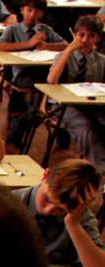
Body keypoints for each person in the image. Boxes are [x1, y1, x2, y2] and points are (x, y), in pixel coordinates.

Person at [0, 0, 66, 147]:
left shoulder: (45, 29)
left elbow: (66, 45)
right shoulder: (13, 30)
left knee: (57, 88)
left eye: (37, 11)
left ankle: (37, 115)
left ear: (42, 13)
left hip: (45, 73)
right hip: (23, 74)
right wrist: (28, 44)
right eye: (29, 10)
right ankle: (34, 116)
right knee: (39, 98)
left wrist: (48, 46)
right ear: (22, 10)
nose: (32, 15)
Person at [47, 15, 105, 173]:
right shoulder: (63, 56)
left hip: (91, 104)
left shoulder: (101, 60)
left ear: (98, 38)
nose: (85, 40)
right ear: (75, 34)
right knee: (85, 127)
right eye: (81, 35)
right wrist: (69, 49)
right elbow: (52, 80)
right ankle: (102, 168)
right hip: (64, 106)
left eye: (91, 36)